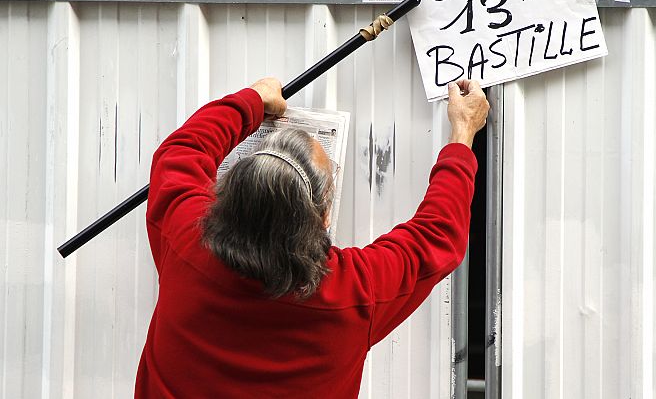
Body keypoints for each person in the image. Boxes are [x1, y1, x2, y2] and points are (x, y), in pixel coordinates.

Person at [135, 76, 490, 398]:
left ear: (230, 195)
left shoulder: (184, 238)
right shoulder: (353, 292)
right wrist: (462, 134)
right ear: (322, 218)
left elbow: (180, 153)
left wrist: (253, 100)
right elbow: (437, 234)